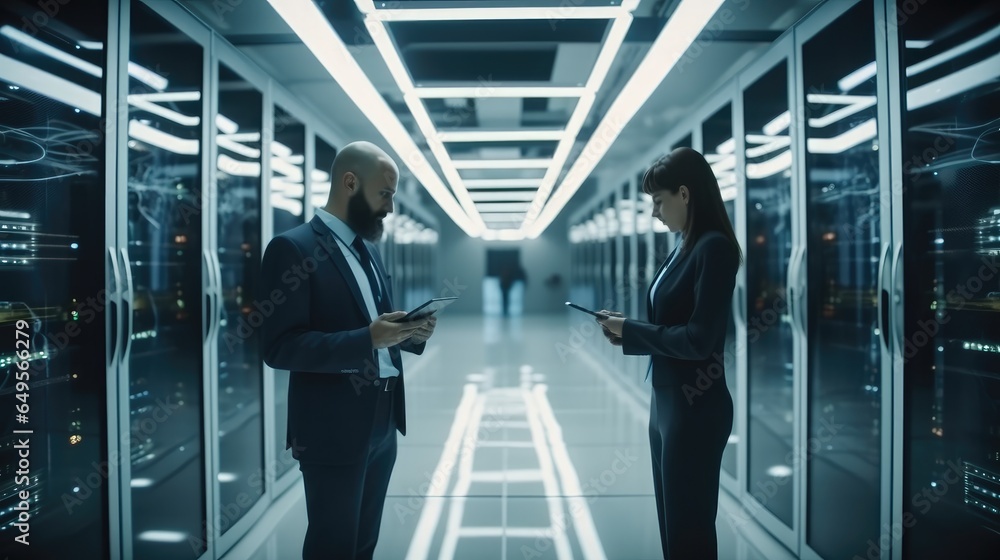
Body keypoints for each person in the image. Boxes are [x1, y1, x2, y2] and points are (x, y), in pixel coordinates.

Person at [260, 141, 436, 559]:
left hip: (383, 420)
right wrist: (368, 339)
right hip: (332, 428)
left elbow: (376, 322)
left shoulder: (369, 251)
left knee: (363, 544)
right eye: (385, 194)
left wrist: (412, 333)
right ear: (350, 183)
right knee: (332, 546)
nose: (390, 208)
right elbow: (280, 348)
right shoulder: (293, 248)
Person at [596, 147, 742, 559]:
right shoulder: (683, 245)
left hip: (695, 409)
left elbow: (699, 339)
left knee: (689, 532)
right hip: (666, 404)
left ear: (685, 193)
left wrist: (634, 332)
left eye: (659, 201)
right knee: (673, 527)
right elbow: (670, 320)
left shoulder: (714, 248)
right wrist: (627, 333)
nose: (655, 212)